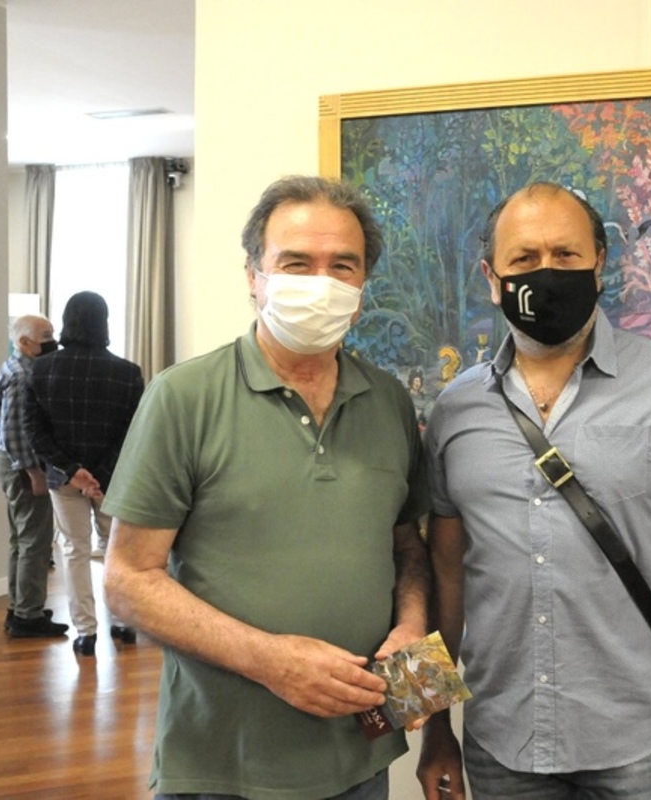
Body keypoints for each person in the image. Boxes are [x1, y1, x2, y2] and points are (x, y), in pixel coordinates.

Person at [417, 183, 651, 799]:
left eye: (566, 255)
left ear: (600, 265)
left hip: (643, 747)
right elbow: (444, 579)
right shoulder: (455, 409)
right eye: (524, 259)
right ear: (492, 278)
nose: (547, 273)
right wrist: (435, 731)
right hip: (501, 744)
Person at [101, 175, 432, 799]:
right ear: (254, 275)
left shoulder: (389, 400)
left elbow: (406, 546)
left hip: (360, 757)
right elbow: (127, 580)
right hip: (223, 763)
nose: (320, 283)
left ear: (362, 286)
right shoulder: (183, 398)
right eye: (296, 263)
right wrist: (271, 661)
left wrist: (412, 628)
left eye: (343, 265)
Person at [25, 291, 144, 656]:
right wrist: (99, 475)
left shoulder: (41, 369)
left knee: (74, 550)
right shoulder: (127, 373)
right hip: (113, 479)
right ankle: (122, 623)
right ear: (103, 322)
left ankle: (85, 632)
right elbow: (134, 433)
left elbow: (34, 432)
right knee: (114, 548)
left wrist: (73, 471)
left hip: (64, 479)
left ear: (67, 321)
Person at [0, 313, 69, 638]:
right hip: (22, 467)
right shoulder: (21, 377)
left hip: (10, 464)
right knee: (35, 543)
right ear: (24, 342)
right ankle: (28, 615)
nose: (53, 340)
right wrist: (34, 472)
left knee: (21, 541)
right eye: (46, 335)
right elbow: (15, 433)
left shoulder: (14, 368)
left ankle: (20, 607)